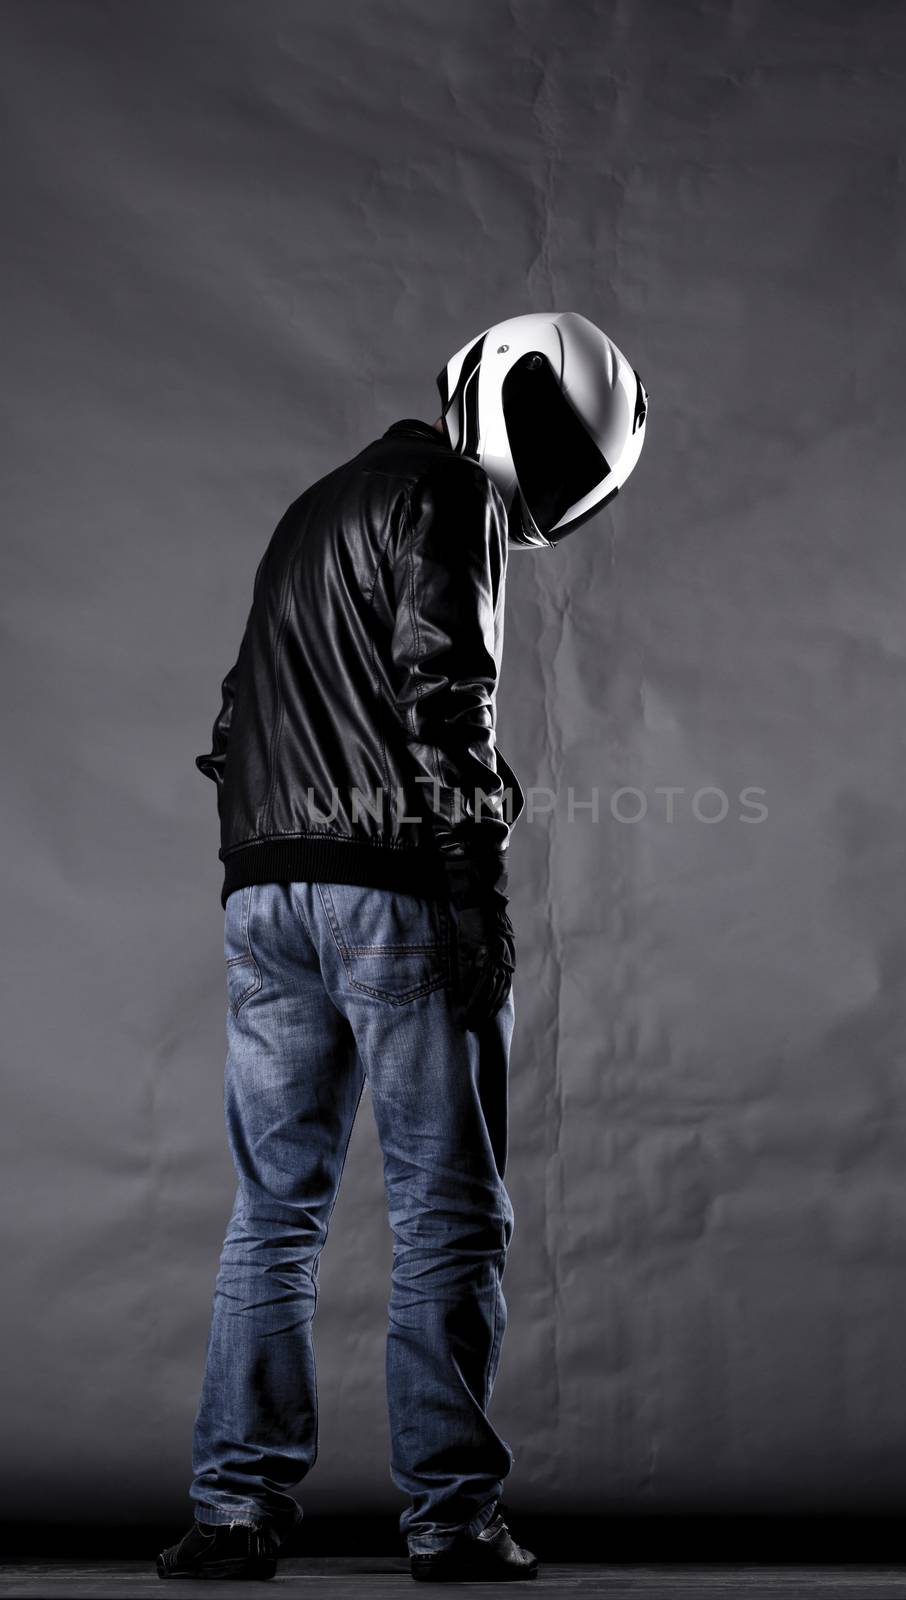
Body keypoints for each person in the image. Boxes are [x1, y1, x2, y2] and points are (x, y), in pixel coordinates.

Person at [157, 312, 649, 1584]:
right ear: (511, 402)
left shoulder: (315, 506)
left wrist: (260, 868)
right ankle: (451, 1521)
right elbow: (446, 696)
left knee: (275, 1211)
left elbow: (231, 718)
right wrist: (472, 888)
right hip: (392, 889)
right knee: (449, 1211)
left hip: (266, 893)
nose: (553, 487)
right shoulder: (447, 496)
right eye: (559, 456)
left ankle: (233, 1511)